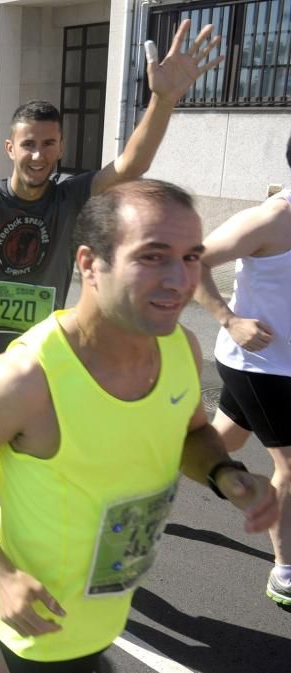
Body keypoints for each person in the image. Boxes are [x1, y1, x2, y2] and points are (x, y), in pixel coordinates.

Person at [0, 180, 279, 673]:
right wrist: (0, 574)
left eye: (191, 258)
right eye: (152, 256)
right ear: (89, 264)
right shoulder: (26, 377)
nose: (180, 280)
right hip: (38, 614)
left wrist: (224, 473)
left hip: (108, 606)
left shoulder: (181, 348)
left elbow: (190, 433)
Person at [0, 20, 225, 373]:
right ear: (10, 148)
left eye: (49, 143)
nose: (38, 155)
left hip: (45, 350)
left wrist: (162, 100)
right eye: (29, 144)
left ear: (61, 147)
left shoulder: (70, 197)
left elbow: (130, 167)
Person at [193, 134, 291, 607]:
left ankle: (140, 470)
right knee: (289, 465)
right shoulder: (269, 219)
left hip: (282, 367)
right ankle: (285, 572)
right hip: (258, 365)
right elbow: (192, 261)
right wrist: (230, 320)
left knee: (220, 443)